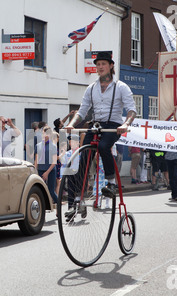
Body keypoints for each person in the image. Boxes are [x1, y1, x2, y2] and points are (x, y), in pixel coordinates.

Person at [65, 51, 136, 198]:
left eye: (103, 64)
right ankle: (79, 192)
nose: (100, 67)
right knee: (84, 154)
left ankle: (111, 182)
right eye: (98, 64)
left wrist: (125, 124)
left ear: (111, 66)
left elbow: (131, 110)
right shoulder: (91, 88)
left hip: (113, 125)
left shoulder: (121, 87)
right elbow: (83, 110)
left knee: (103, 146)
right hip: (96, 124)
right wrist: (71, 124)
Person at [34, 126, 58, 204]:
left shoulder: (53, 146)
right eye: (43, 133)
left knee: (51, 191)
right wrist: (35, 170)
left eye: (47, 134)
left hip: (50, 171)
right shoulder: (38, 146)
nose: (44, 135)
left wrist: (47, 172)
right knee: (41, 190)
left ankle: (58, 207)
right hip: (40, 170)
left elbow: (54, 162)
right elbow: (36, 159)